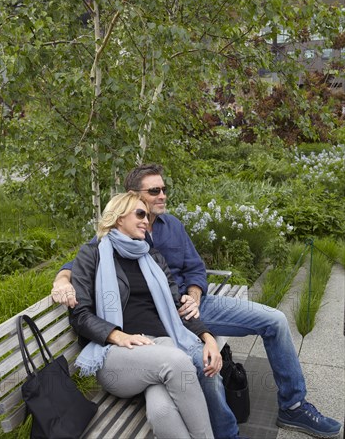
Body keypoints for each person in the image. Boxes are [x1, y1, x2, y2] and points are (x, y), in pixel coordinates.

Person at [53, 164, 342, 439]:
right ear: (131, 197)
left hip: (189, 308)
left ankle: (293, 407)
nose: (162, 195)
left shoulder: (168, 231)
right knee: (198, 369)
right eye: (154, 191)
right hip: (161, 322)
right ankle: (225, 432)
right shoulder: (107, 245)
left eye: (164, 189)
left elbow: (195, 269)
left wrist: (194, 297)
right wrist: (62, 279)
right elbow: (84, 264)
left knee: (276, 320)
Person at [69, 191, 244, 439]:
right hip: (116, 354)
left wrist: (208, 338)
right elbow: (79, 313)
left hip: (161, 346)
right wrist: (116, 335)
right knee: (179, 362)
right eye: (140, 214)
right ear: (119, 218)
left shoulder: (151, 256)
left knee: (162, 413)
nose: (146, 220)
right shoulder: (93, 254)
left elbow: (177, 306)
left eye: (147, 215)